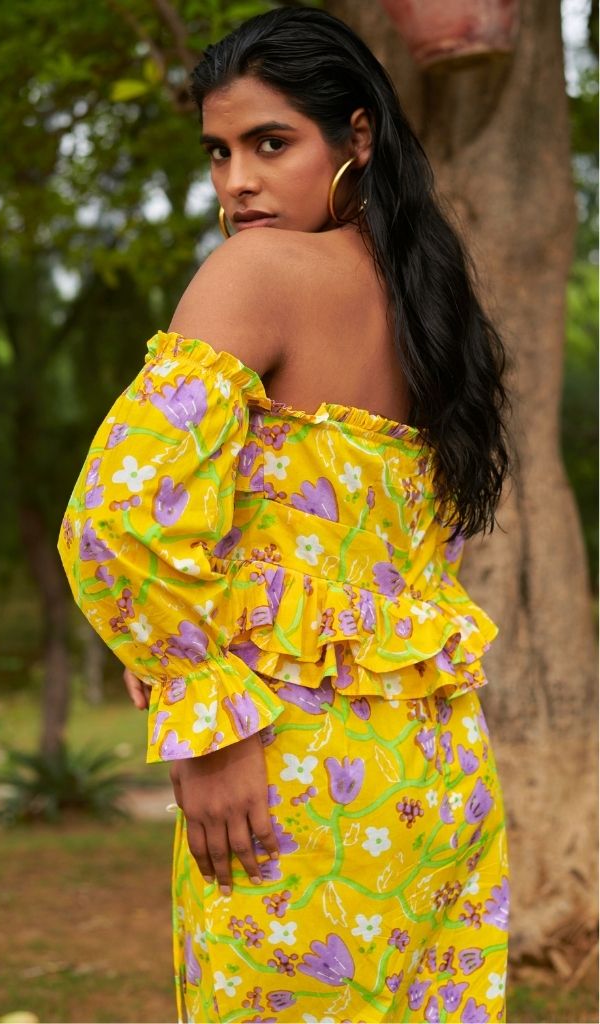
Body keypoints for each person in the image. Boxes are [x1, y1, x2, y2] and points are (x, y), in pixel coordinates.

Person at [58, 7, 512, 1022]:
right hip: (440, 774)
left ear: (358, 136)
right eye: (219, 152)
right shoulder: (436, 307)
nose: (238, 182)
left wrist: (208, 723)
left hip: (293, 776)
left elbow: (116, 520)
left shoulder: (255, 275)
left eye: (271, 143)